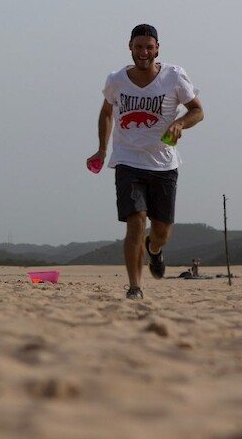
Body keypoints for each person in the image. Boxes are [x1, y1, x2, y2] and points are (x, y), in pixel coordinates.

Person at [86, 24, 204, 299]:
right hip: (128, 159)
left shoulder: (174, 76)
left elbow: (198, 111)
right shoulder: (116, 80)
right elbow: (106, 113)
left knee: (161, 232)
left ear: (157, 49)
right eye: (138, 46)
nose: (143, 52)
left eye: (149, 47)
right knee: (136, 221)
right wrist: (102, 150)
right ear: (130, 47)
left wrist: (180, 124)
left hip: (163, 163)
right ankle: (135, 287)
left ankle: (154, 249)